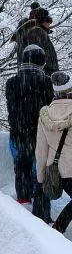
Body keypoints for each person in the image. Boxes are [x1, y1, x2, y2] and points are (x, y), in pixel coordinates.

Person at [7, 44, 54, 220]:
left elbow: (12, 110)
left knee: (21, 166)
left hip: (18, 135)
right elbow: (49, 109)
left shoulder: (12, 83)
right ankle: (42, 216)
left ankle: (23, 202)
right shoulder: (46, 82)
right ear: (40, 62)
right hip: (40, 135)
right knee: (41, 172)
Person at [36, 71, 72, 232]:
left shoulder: (45, 114)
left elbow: (41, 148)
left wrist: (41, 176)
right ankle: (57, 229)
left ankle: (58, 229)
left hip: (59, 171)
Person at [11, 3, 59, 75]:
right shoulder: (36, 32)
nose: (49, 26)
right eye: (48, 23)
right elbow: (38, 56)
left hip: (31, 74)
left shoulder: (27, 32)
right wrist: (49, 71)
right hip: (40, 74)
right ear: (41, 21)